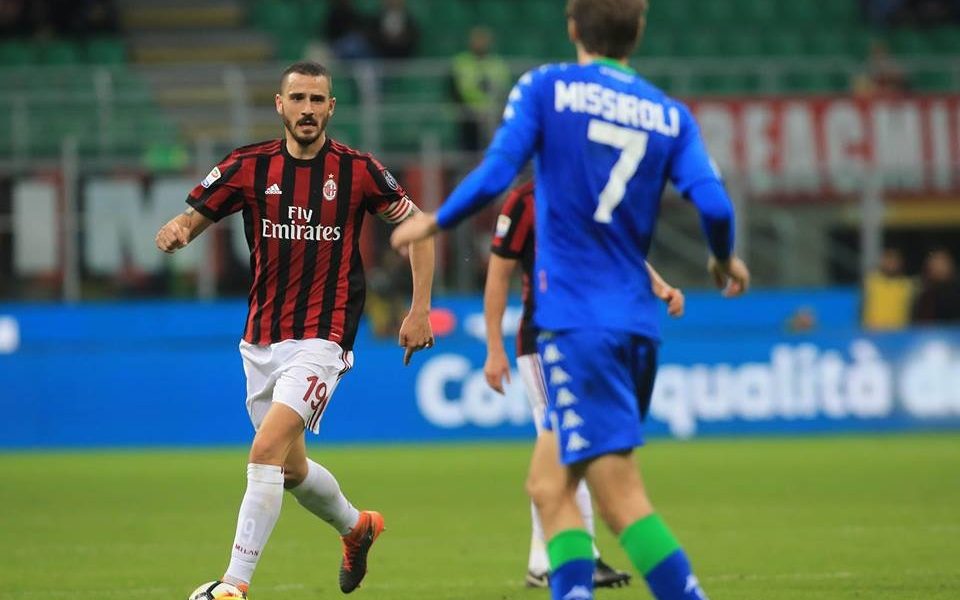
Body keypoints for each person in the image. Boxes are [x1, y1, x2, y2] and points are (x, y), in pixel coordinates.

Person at [391, 1, 750, 599]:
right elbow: (714, 205)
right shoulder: (670, 114)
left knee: (620, 501)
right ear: (638, 32)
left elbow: (497, 171)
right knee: (549, 486)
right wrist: (721, 259)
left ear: (573, 27)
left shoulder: (546, 87)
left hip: (579, 327)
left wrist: (435, 221)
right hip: (634, 326)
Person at [154, 61, 435, 598]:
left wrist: (419, 309)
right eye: (298, 98)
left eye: (317, 100)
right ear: (280, 105)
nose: (308, 109)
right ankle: (357, 527)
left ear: (332, 107)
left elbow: (418, 226)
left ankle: (233, 585)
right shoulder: (248, 165)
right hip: (261, 339)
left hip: (323, 339)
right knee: (289, 470)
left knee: (265, 451)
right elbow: (192, 218)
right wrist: (179, 229)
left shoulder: (357, 170)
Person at [483, 180, 685, 590]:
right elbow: (498, 275)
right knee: (567, 444)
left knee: (558, 455)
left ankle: (543, 561)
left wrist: (658, 284)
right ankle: (584, 557)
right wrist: (494, 348)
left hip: (586, 340)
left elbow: (619, 249)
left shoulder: (591, 190)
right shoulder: (524, 201)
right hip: (542, 344)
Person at [450, 26, 511, 152]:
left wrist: (493, 108)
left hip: (492, 113)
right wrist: (471, 109)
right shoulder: (460, 62)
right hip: (468, 114)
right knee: (468, 144)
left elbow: (503, 89)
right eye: (477, 40)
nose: (480, 44)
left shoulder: (497, 63)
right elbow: (454, 89)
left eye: (483, 40)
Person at [862, 247, 913, 330]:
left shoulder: (907, 285)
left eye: (894, 261)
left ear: (900, 263)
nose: (891, 264)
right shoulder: (871, 282)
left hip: (898, 333)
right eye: (888, 259)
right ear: (882, 261)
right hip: (873, 332)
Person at [912, 248, 960, 324]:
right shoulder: (924, 297)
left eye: (942, 263)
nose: (939, 268)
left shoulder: (956, 294)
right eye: (935, 263)